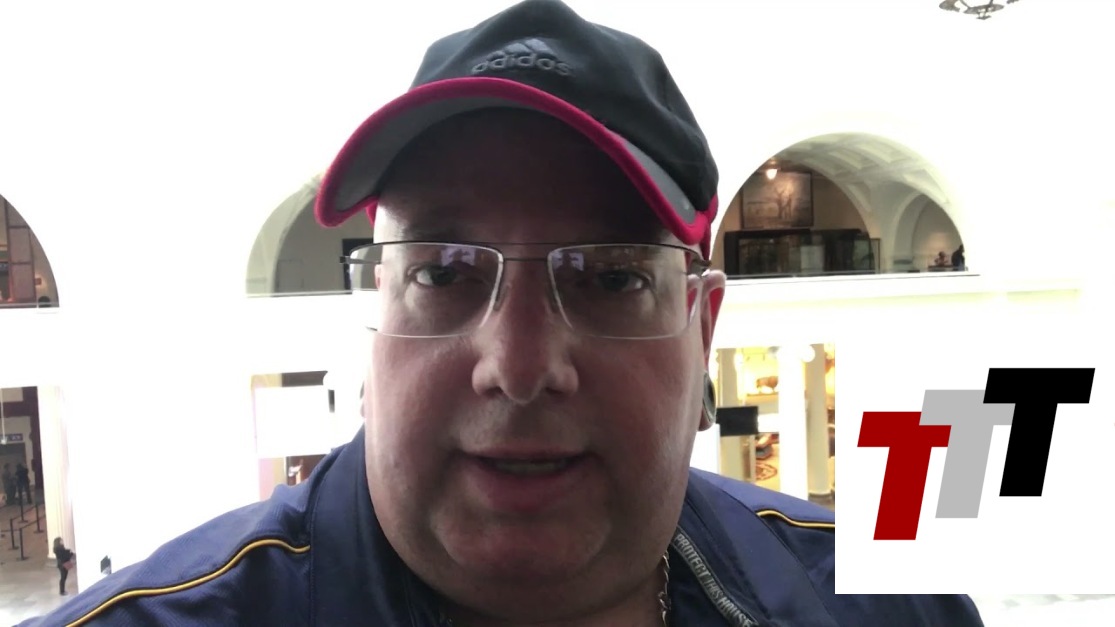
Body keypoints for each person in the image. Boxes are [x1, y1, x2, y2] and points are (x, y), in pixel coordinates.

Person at [19, 1, 985, 625]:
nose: (518, 366)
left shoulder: (889, 608)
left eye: (609, 277)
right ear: (376, 321)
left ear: (701, 333)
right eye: (443, 271)